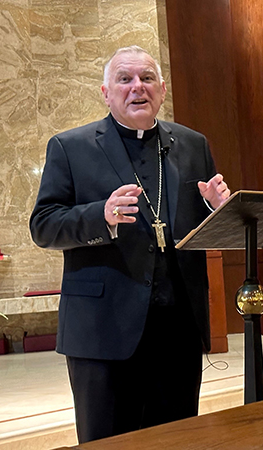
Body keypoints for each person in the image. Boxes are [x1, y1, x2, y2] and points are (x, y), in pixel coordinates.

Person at [29, 45, 230, 443]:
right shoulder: (71, 147)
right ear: (106, 92)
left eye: (147, 78)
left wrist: (220, 211)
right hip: (104, 332)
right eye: (125, 79)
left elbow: (201, 229)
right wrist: (99, 215)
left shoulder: (193, 145)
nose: (137, 87)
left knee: (175, 439)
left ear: (162, 89)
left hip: (177, 331)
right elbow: (43, 225)